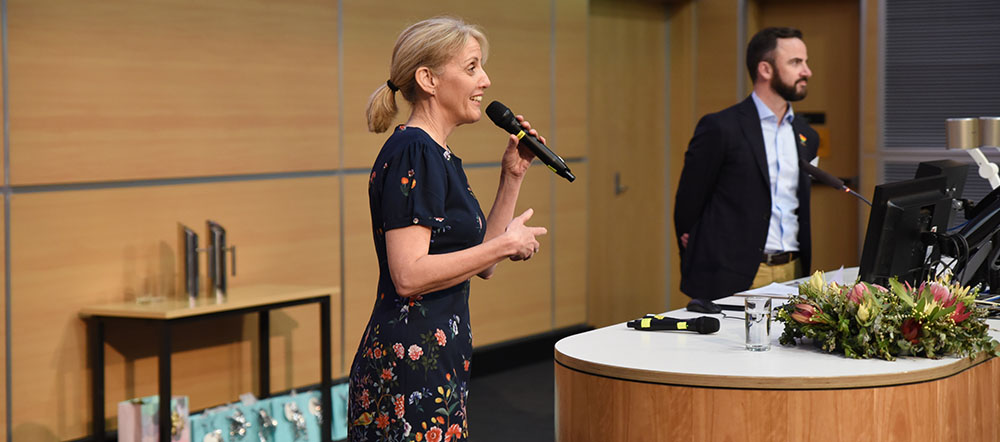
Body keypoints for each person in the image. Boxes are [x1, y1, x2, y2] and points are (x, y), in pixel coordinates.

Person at [348, 17, 547, 441]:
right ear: (428, 79)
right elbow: (408, 275)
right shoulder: (415, 151)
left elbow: (483, 263)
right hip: (408, 364)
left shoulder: (437, 155)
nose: (486, 81)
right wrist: (505, 244)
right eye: (472, 67)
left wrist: (512, 177)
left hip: (436, 359)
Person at [674, 27, 820, 313]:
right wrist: (699, 252)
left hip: (794, 270)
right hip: (735, 272)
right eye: (796, 63)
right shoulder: (721, 127)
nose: (807, 71)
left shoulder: (806, 135)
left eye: (805, 62)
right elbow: (688, 205)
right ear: (765, 69)